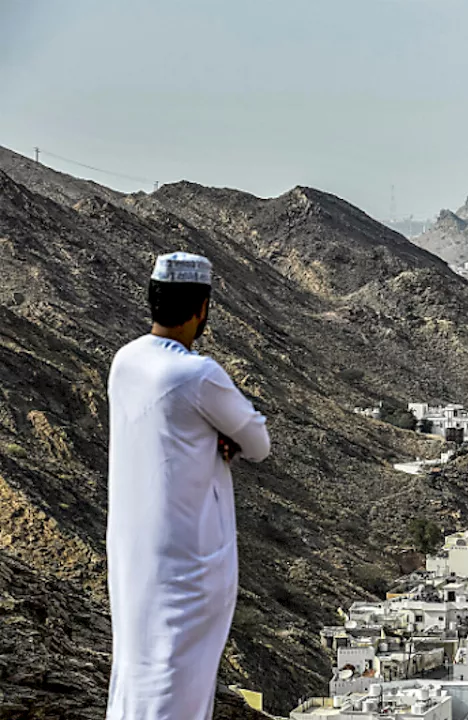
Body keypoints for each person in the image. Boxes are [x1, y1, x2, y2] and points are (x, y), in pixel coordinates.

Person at [106, 252, 270, 720]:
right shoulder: (197, 374)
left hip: (133, 551)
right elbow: (258, 441)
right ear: (201, 308)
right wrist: (226, 438)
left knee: (139, 666)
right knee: (179, 676)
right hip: (189, 560)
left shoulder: (125, 361)